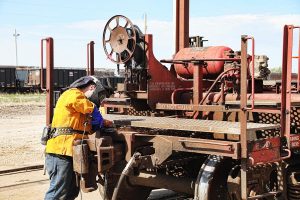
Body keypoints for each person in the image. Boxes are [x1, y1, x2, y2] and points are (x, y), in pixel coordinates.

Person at [44, 76, 103, 200]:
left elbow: (84, 124)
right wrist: (96, 113)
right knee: (58, 192)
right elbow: (90, 108)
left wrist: (101, 122)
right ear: (92, 87)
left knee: (71, 192)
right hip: (60, 152)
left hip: (69, 152)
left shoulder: (77, 105)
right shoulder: (73, 94)